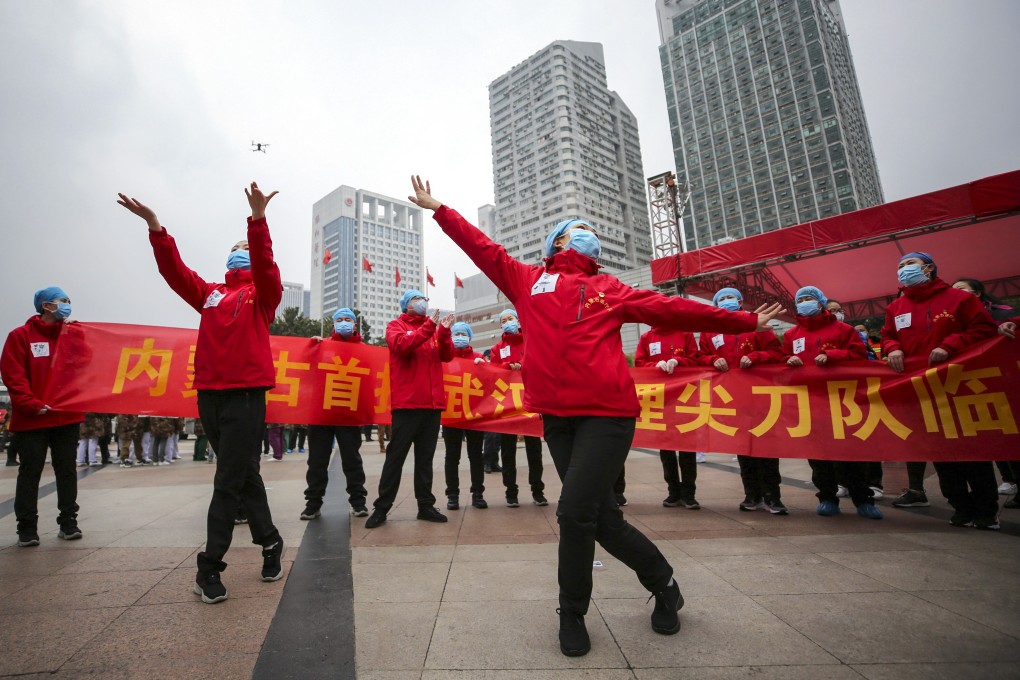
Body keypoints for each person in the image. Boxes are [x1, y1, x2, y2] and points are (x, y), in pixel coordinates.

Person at [408, 176, 782, 657]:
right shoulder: (527, 281)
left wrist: (744, 320)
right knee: (600, 518)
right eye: (578, 227)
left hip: (607, 416)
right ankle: (665, 583)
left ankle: (572, 613)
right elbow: (482, 247)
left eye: (590, 229)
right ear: (558, 241)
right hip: (556, 419)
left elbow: (672, 309)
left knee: (574, 513)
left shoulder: (610, 288)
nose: (589, 233)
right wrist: (440, 208)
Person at [118, 182, 286, 604]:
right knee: (243, 473)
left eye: (243, 248)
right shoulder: (210, 294)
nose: (239, 252)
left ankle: (209, 566)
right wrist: (157, 227)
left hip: (246, 396)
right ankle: (270, 541)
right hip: (209, 395)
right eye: (235, 247)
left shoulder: (262, 296)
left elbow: (266, 265)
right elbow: (174, 272)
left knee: (227, 479)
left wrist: (258, 222)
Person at [882, 252, 999, 528]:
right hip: (922, 390)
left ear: (929, 267)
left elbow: (984, 329)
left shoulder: (960, 299)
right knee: (941, 451)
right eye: (900, 266)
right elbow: (888, 336)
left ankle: (986, 510)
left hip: (961, 386)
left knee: (972, 452)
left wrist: (950, 345)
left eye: (910, 264)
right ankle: (960, 506)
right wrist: (893, 348)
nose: (904, 270)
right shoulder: (896, 308)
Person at [783, 286, 880, 519]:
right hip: (810, 401)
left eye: (809, 299)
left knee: (851, 452)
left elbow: (859, 355)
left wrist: (833, 355)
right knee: (819, 455)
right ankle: (827, 497)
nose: (805, 303)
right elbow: (781, 359)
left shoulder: (843, 329)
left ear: (820, 303)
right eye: (801, 300)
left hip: (843, 400)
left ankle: (862, 499)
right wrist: (789, 358)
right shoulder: (792, 334)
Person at [1, 287, 86, 547]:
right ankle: (27, 528)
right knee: (30, 472)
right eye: (63, 301)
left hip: (65, 417)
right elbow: (13, 373)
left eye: (69, 301)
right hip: (33, 418)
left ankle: (68, 521)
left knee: (67, 470)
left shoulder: (71, 335)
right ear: (46, 306)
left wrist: (78, 333)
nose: (68, 305)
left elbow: (87, 363)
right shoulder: (20, 336)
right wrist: (29, 403)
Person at [364, 290, 455, 528]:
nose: (423, 303)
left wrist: (443, 332)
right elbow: (402, 346)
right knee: (396, 458)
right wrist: (429, 328)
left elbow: (446, 356)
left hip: (432, 405)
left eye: (424, 299)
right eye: (417, 300)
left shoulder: (432, 329)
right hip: (407, 405)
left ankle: (425, 506)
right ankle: (381, 508)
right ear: (407, 305)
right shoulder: (396, 326)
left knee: (425, 460)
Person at [698, 287, 786, 514]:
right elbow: (701, 357)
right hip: (732, 398)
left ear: (739, 301)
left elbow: (777, 352)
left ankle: (773, 497)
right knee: (743, 449)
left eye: (730, 298)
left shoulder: (756, 322)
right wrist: (714, 359)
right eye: (722, 299)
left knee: (766, 447)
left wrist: (755, 357)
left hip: (760, 396)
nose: (727, 301)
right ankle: (752, 496)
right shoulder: (710, 330)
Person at [301, 308, 370, 520]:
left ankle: (358, 501)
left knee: (352, 459)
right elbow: (304, 368)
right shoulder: (323, 346)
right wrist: (311, 348)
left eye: (348, 319)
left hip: (348, 412)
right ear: (333, 325)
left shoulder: (364, 350)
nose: (344, 323)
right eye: (339, 320)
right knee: (317, 460)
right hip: (321, 412)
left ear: (355, 325)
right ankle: (313, 502)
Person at [952, 277, 1017, 497]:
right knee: (991, 430)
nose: (956, 294)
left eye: (961, 289)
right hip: (972, 382)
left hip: (1004, 378)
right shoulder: (954, 317)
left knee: (1011, 429)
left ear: (977, 293)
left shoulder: (1003, 312)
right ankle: (1008, 478)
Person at [633, 325, 704, 509]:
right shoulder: (647, 337)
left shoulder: (685, 333)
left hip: (685, 397)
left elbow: (696, 359)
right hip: (661, 399)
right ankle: (673, 492)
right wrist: (653, 365)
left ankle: (689, 493)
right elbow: (639, 363)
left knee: (687, 448)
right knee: (666, 449)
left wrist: (679, 362)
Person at [489, 308, 547, 507]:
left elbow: (540, 363)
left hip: (531, 403)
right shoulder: (497, 348)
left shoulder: (531, 341)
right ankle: (511, 492)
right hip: (508, 406)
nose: (508, 322)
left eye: (510, 318)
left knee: (534, 450)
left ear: (518, 319)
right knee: (507, 451)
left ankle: (538, 490)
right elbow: (494, 372)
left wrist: (523, 364)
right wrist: (508, 368)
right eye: (503, 320)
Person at [443, 321, 489, 510]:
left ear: (469, 337)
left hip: (474, 414)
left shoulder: (478, 357)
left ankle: (477, 493)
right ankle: (452, 495)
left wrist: (484, 367)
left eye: (463, 334)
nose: (459, 337)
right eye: (456, 334)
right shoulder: (445, 358)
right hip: (451, 414)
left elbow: (490, 382)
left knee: (476, 455)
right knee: (452, 456)